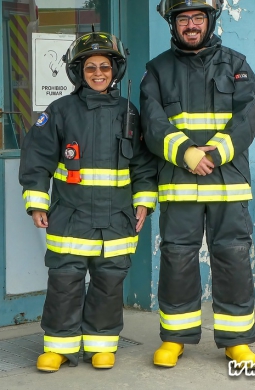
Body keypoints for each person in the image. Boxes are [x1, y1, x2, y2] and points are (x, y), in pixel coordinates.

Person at [140, 0, 255, 368]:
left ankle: (236, 340)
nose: (190, 25)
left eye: (197, 18)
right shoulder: (157, 71)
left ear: (209, 21)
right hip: (180, 184)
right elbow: (151, 121)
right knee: (177, 259)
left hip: (228, 185)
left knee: (233, 258)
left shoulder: (238, 66)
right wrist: (186, 153)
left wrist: (221, 151)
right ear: (172, 25)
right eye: (182, 20)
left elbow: (250, 115)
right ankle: (174, 338)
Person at [19, 31, 158, 372]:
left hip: (117, 218)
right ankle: (59, 347)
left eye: (105, 67)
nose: (98, 73)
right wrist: (37, 202)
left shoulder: (129, 112)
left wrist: (143, 202)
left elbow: (142, 163)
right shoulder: (60, 111)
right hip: (71, 215)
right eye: (91, 67)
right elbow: (37, 158)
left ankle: (101, 344)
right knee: (65, 279)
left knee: (109, 282)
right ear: (78, 72)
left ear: (115, 71)